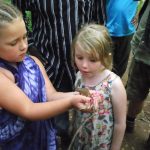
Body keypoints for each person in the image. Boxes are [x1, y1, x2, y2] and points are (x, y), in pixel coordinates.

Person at [11, 0, 103, 148]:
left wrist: (74, 98)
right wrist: (32, 43)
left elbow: (99, 20)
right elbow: (16, 12)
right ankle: (59, 136)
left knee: (82, 113)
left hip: (84, 62)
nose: (22, 45)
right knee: (55, 120)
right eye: (13, 42)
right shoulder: (17, 72)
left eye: (24, 39)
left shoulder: (34, 63)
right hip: (48, 59)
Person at [69, 24, 127, 150]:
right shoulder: (79, 76)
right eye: (79, 57)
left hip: (100, 143)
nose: (84, 65)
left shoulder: (114, 85)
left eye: (93, 60)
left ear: (106, 56)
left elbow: (120, 123)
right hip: (80, 138)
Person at [125, 0, 150, 148]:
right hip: (142, 54)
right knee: (135, 94)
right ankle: (129, 122)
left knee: (136, 93)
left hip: (143, 53)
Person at [100, 0, 138, 77]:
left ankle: (115, 83)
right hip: (107, 31)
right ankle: (102, 84)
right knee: (104, 61)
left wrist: (139, 13)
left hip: (126, 31)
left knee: (121, 64)